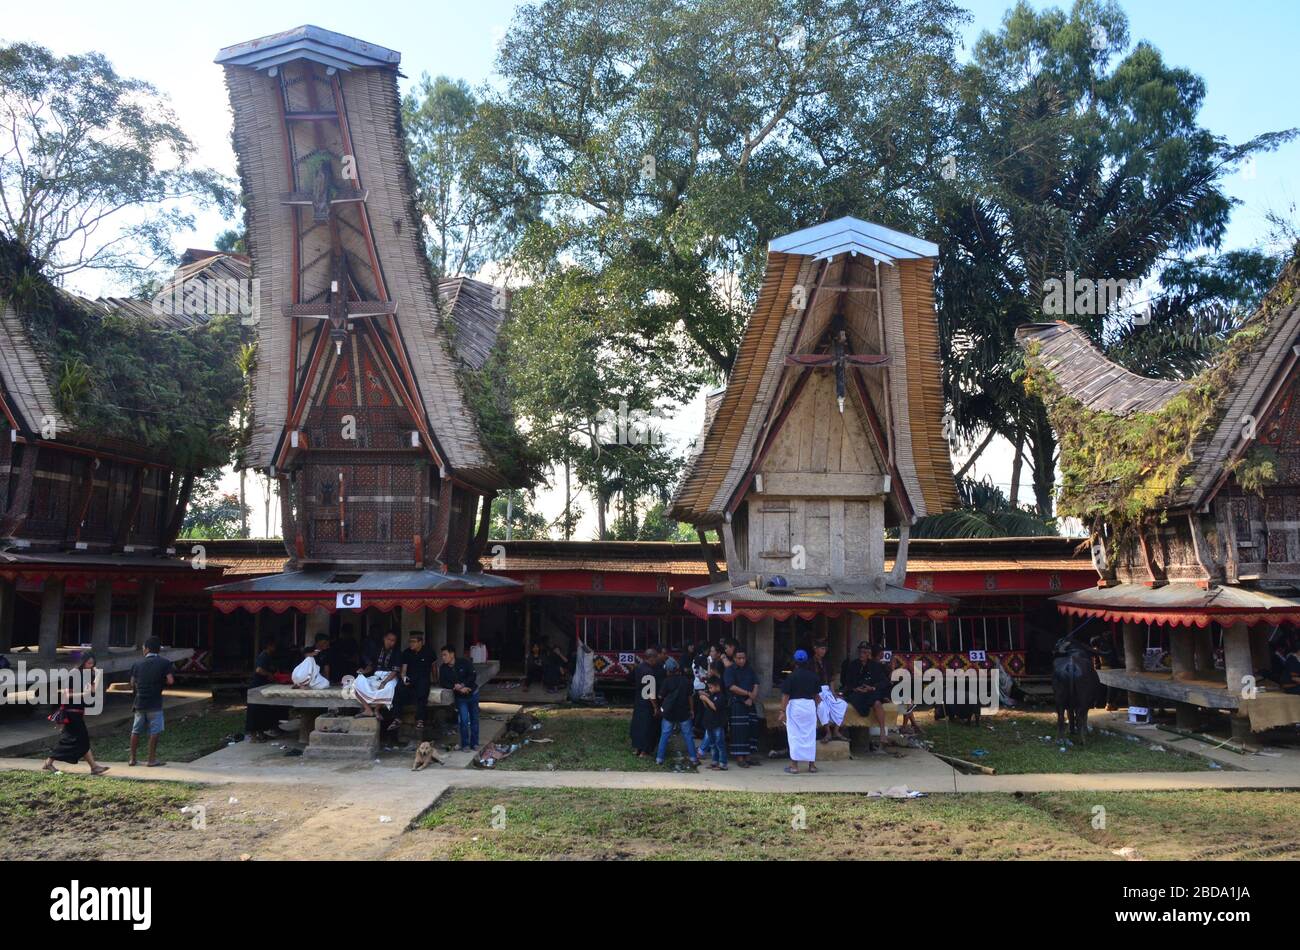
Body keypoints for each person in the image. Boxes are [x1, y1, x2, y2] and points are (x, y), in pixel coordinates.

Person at [42, 653, 108, 775]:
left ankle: (94, 767)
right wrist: (83, 694)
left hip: (78, 712)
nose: (90, 666)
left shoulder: (87, 675)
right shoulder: (74, 673)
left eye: (92, 664)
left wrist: (98, 675)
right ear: (83, 662)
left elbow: (93, 690)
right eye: (88, 663)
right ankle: (49, 762)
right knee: (73, 739)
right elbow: (66, 695)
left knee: (79, 740)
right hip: (70, 712)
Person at [129, 637, 174, 767]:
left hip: (140, 702)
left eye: (143, 648)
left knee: (135, 730)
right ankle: (151, 759)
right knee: (155, 731)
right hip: (155, 702)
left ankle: (132, 759)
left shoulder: (137, 664)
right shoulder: (165, 663)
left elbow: (132, 683)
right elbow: (170, 681)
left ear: (147, 649)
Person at [841, 641, 892, 751]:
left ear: (868, 653)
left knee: (877, 703)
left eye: (864, 652)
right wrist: (855, 688)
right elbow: (847, 683)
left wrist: (872, 688)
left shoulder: (875, 666)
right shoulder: (853, 665)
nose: (861, 654)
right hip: (857, 692)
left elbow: (884, 681)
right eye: (860, 652)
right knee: (851, 700)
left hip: (871, 691)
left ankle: (882, 732)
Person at [780, 649, 821, 774]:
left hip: (795, 707)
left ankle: (794, 766)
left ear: (795, 662)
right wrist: (820, 711)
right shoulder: (813, 676)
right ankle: (812, 766)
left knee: (794, 736)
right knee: (810, 735)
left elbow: (785, 696)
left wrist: (782, 711)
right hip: (809, 706)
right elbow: (817, 697)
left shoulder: (791, 677)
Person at [655, 657, 700, 766]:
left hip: (669, 713)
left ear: (668, 670)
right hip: (684, 712)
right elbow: (690, 697)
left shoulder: (666, 681)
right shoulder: (686, 681)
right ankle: (693, 758)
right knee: (688, 736)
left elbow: (660, 696)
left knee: (664, 735)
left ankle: (659, 759)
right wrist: (692, 709)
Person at [723, 647, 762, 767]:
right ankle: (740, 758)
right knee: (739, 731)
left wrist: (751, 697)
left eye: (743, 658)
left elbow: (756, 684)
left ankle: (748, 757)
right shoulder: (730, 670)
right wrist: (747, 694)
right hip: (737, 703)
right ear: (734, 658)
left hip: (750, 703)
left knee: (751, 729)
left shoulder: (749, 670)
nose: (741, 660)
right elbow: (731, 687)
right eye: (739, 658)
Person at [354, 631, 401, 729]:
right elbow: (371, 666)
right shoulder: (377, 650)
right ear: (384, 639)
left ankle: (376, 710)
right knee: (357, 685)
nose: (390, 642)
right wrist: (364, 671)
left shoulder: (397, 653)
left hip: (390, 677)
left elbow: (395, 671)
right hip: (377, 675)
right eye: (389, 639)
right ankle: (368, 710)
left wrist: (384, 682)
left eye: (393, 641)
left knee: (389, 688)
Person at [440, 644, 480, 750]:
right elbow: (443, 682)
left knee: (474, 719)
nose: (443, 657)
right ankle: (465, 744)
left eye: (445, 655)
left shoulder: (464, 662)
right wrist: (455, 687)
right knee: (463, 720)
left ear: (452, 654)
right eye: (442, 655)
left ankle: (475, 743)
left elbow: (473, 675)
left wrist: (463, 685)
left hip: (473, 693)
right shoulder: (443, 668)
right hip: (460, 697)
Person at [628, 646, 663, 757]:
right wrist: (655, 707)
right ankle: (644, 751)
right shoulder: (649, 672)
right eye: (656, 658)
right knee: (647, 727)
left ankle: (637, 749)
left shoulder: (638, 668)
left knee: (638, 725)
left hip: (638, 701)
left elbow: (630, 679)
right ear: (651, 658)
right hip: (647, 704)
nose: (657, 660)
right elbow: (650, 692)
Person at [400, 632, 435, 737]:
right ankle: (397, 717)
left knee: (422, 693)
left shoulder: (429, 652)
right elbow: (404, 670)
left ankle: (420, 720)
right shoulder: (407, 653)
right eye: (410, 641)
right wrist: (403, 678)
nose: (411, 644)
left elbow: (434, 667)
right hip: (411, 679)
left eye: (413, 642)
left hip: (423, 679)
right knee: (399, 689)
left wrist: (436, 680)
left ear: (420, 642)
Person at [811, 641, 848, 741]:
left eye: (825, 649)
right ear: (815, 649)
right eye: (822, 649)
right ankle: (828, 733)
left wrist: (834, 693)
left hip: (827, 690)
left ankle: (836, 731)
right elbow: (808, 681)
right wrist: (814, 695)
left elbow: (831, 680)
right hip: (816, 691)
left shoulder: (827, 663)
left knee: (842, 704)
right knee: (822, 706)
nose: (823, 651)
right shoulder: (810, 663)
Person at [246, 639, 281, 742]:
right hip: (256, 686)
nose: (275, 649)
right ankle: (253, 736)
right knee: (254, 712)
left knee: (262, 711)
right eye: (273, 646)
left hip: (263, 687)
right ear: (269, 646)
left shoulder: (269, 657)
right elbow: (259, 670)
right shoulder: (264, 656)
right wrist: (269, 674)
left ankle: (261, 734)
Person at [697, 674, 728, 770]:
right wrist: (704, 699)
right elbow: (708, 706)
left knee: (719, 744)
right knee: (712, 744)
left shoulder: (721, 696)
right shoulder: (712, 695)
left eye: (711, 687)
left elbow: (715, 707)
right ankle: (715, 762)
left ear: (717, 686)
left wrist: (706, 698)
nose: (709, 689)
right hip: (709, 723)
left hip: (717, 724)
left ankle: (723, 763)